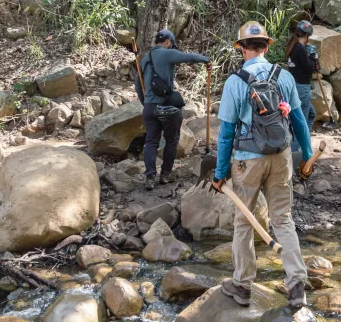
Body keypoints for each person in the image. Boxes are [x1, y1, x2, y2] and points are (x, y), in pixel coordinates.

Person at [210, 21, 313, 308]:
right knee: (283, 219)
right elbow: (298, 119)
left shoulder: (235, 81)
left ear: (242, 48)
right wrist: (306, 153)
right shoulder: (285, 77)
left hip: (247, 161)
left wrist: (219, 174)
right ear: (267, 47)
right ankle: (296, 285)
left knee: (244, 222)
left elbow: (227, 133)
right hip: (281, 157)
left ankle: (242, 285)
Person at [134, 30, 210, 190]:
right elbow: (187, 57)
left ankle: (150, 177)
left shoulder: (144, 59)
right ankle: (165, 174)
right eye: (171, 45)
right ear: (168, 41)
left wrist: (146, 103)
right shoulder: (167, 54)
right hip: (166, 108)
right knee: (172, 140)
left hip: (149, 107)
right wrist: (206, 60)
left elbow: (138, 85)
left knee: (151, 141)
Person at [285, 20, 318, 154]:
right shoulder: (299, 48)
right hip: (302, 87)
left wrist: (310, 56)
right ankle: (296, 152)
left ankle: (303, 142)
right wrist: (313, 57)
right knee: (300, 122)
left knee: (311, 114)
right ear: (307, 35)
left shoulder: (294, 46)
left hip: (295, 86)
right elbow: (310, 68)